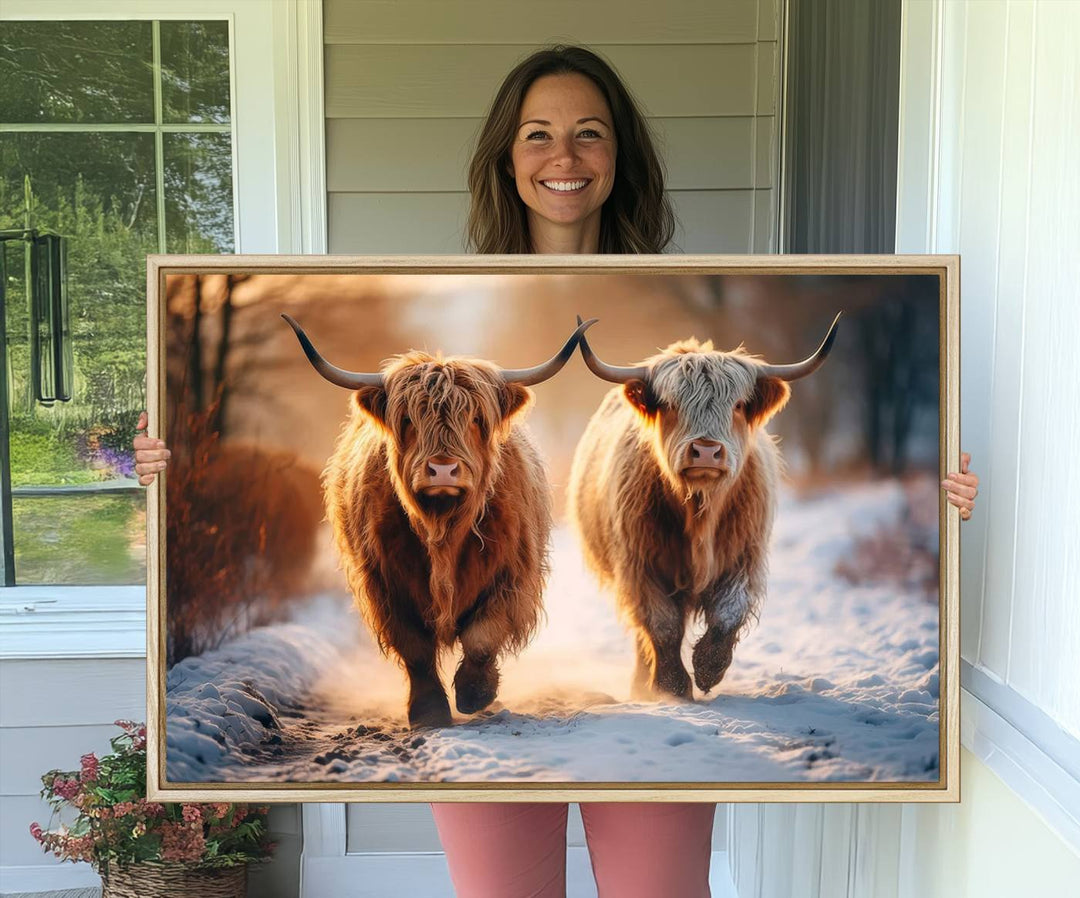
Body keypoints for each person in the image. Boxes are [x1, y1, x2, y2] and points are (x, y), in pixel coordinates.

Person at [135, 45, 979, 898]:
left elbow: (527, 560)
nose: (564, 157)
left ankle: (516, 656)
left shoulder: (704, 288)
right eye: (537, 135)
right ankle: (436, 671)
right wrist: (165, 468)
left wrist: (949, 496)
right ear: (506, 156)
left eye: (590, 134)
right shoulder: (438, 287)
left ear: (621, 157)